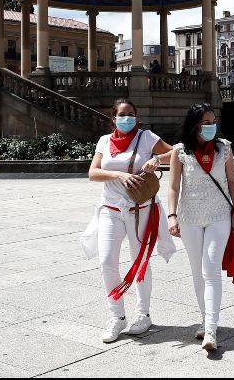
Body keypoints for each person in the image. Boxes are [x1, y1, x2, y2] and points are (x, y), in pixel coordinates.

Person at [82, 99, 176, 344]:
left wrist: (156, 160)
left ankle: (143, 314)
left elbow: (176, 152)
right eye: (122, 114)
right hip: (110, 210)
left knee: (140, 262)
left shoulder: (146, 137)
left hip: (140, 210)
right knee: (106, 261)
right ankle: (117, 316)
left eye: (132, 114)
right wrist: (119, 174)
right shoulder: (104, 141)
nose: (128, 118)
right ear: (113, 118)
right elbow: (93, 173)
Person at [167, 103, 234, 352]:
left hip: (218, 214)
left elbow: (232, 181)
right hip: (189, 217)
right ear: (195, 125)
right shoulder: (180, 151)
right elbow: (173, 187)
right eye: (206, 123)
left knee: (210, 269)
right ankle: (204, 317)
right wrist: (172, 216)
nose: (211, 126)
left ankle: (211, 327)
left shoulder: (224, 148)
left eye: (213, 122)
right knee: (197, 271)